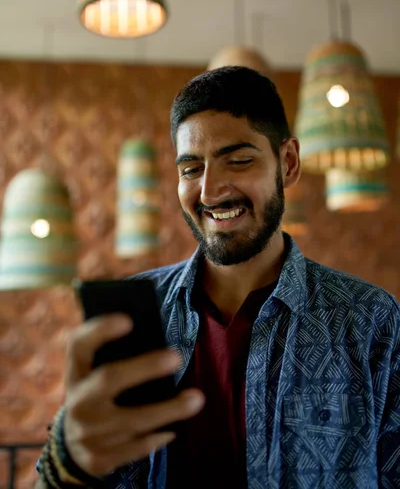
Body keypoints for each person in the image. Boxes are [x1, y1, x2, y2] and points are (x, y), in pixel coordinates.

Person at [36, 66, 400, 489]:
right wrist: (70, 463)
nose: (210, 191)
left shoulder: (371, 320)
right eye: (191, 169)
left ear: (288, 163)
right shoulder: (137, 315)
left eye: (239, 160)